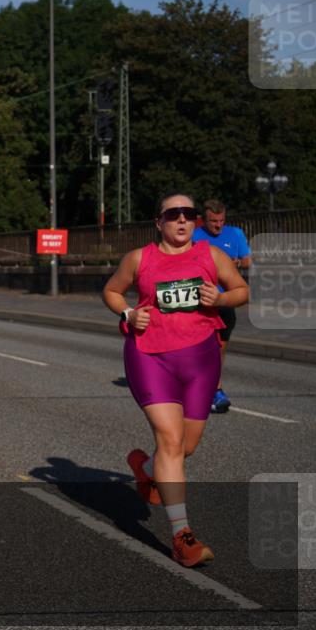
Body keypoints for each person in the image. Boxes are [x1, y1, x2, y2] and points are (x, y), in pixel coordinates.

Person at [102, 193, 248, 568]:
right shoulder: (139, 259)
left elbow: (241, 291)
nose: (182, 220)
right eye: (173, 214)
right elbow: (111, 291)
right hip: (150, 356)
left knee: (186, 446)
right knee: (170, 440)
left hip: (201, 358)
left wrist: (221, 299)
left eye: (188, 214)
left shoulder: (211, 256)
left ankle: (146, 469)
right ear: (159, 222)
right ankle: (183, 537)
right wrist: (129, 314)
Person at [192, 199, 251, 414]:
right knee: (196, 348)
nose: (218, 225)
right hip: (199, 302)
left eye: (221, 221)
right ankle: (205, 388)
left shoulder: (235, 234)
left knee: (219, 348)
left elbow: (248, 260)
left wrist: (236, 263)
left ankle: (214, 389)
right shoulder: (194, 236)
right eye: (213, 221)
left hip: (225, 299)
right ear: (204, 220)